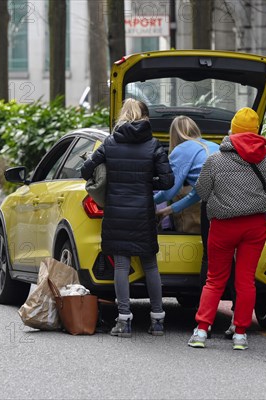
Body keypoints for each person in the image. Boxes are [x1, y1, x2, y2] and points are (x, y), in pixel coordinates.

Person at [80, 98, 174, 338]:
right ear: (145, 117)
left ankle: (124, 320)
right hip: (142, 212)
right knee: (150, 265)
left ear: (123, 115)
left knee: (121, 265)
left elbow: (85, 171)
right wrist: (144, 181)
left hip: (116, 212)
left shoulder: (110, 142)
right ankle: (157, 321)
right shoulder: (153, 145)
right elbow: (167, 181)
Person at [188, 107, 266, 350]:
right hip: (254, 226)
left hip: (222, 226)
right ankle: (240, 333)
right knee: (246, 280)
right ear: (256, 131)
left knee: (215, 279)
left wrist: (222, 201)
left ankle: (201, 330)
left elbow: (202, 191)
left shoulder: (215, 160)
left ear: (232, 130)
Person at [153, 115, 219, 286]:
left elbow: (168, 191)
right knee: (230, 256)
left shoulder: (182, 150)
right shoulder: (214, 146)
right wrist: (167, 211)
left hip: (212, 207)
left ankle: (204, 305)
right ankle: (236, 306)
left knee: (209, 256)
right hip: (233, 203)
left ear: (174, 135)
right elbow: (197, 193)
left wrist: (147, 200)